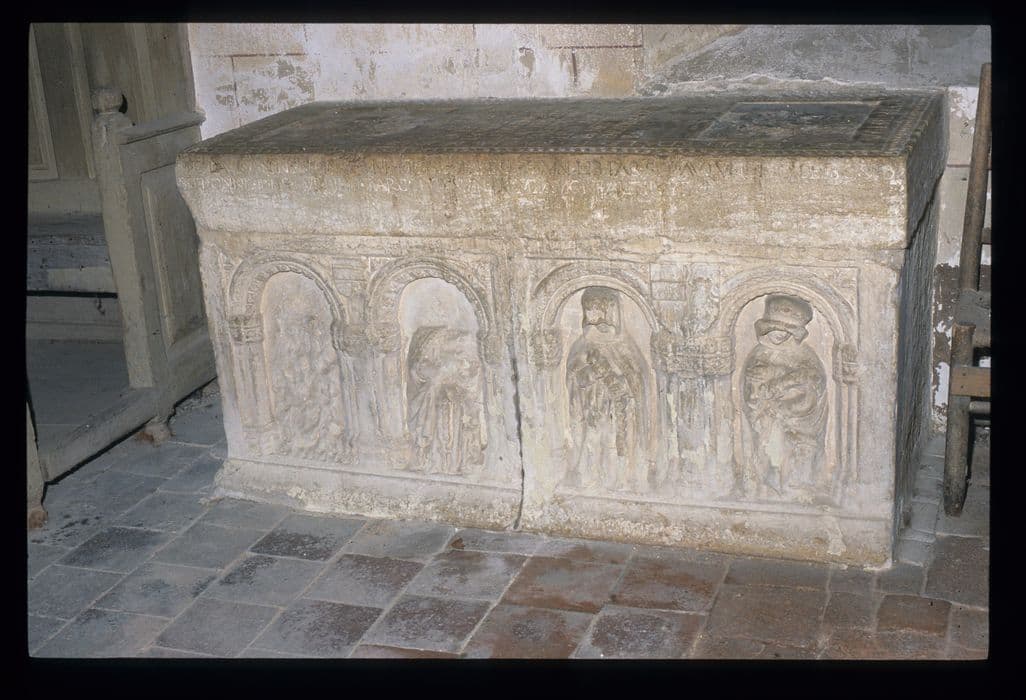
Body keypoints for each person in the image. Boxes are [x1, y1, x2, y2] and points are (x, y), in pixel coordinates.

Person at [564, 286, 652, 492]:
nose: (594, 318)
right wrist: (590, 375)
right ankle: (589, 477)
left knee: (613, 444)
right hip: (592, 410)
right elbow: (573, 379)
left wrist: (619, 384)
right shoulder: (582, 346)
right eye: (589, 310)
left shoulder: (625, 347)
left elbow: (637, 381)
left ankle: (618, 480)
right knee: (592, 441)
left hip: (618, 412)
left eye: (599, 310)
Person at [741, 294, 828, 497]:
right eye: (776, 328)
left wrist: (781, 381)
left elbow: (814, 380)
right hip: (769, 418)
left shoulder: (804, 354)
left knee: (802, 446)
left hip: (801, 416)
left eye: (787, 330)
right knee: (772, 443)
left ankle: (798, 484)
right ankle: (769, 483)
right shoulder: (759, 354)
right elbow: (751, 396)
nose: (780, 334)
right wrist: (763, 398)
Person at [406, 326, 485, 474]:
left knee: (454, 418)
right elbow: (418, 370)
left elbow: (472, 375)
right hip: (437, 399)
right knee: (438, 410)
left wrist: (455, 381)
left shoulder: (466, 348)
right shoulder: (426, 341)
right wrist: (437, 377)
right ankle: (433, 460)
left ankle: (454, 462)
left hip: (456, 400)